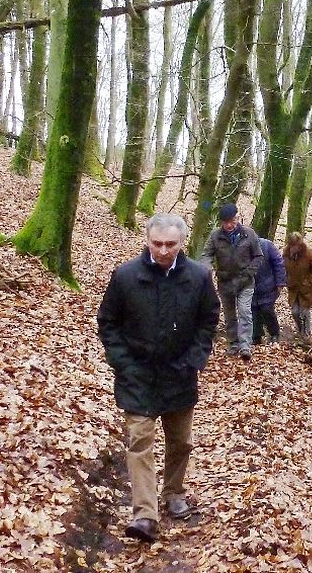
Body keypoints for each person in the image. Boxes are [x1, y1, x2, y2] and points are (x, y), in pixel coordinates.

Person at [97, 213, 219, 544]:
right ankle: (145, 514)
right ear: (147, 240)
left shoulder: (198, 276)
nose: (163, 251)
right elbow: (107, 322)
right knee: (140, 442)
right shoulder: (126, 276)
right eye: (157, 243)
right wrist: (122, 362)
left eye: (170, 244)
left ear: (182, 243)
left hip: (180, 373)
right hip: (137, 375)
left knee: (180, 442)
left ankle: (174, 491)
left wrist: (195, 359)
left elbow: (209, 320)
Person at [200, 203, 263, 361]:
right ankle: (233, 343)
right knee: (229, 315)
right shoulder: (215, 236)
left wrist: (249, 272)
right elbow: (206, 254)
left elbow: (258, 256)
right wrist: (207, 268)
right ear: (221, 222)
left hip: (245, 281)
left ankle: (245, 345)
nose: (229, 225)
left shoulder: (249, 234)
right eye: (225, 222)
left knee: (244, 311)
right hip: (225, 281)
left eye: (232, 221)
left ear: (237, 218)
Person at [282, 231, 312, 341]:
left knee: (305, 312)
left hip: (307, 288)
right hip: (293, 287)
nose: (293, 248)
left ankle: (307, 334)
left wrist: (309, 281)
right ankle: (300, 330)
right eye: (292, 245)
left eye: (296, 246)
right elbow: (282, 268)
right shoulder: (286, 253)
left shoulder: (308, 252)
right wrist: (286, 280)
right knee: (295, 312)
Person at [252, 237, 286, 344]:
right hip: (250, 287)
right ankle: (256, 336)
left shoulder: (267, 245)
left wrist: (280, 282)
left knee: (267, 310)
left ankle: (274, 333)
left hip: (268, 285)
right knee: (254, 312)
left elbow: (279, 263)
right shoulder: (241, 247)